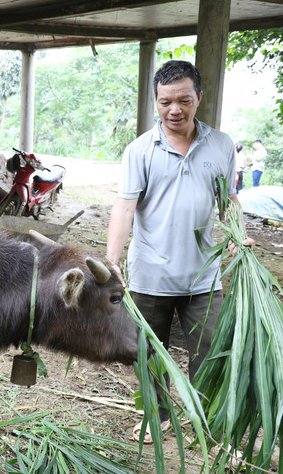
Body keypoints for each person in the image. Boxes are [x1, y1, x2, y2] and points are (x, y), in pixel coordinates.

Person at [106, 60, 253, 443]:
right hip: (150, 275)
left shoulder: (221, 145)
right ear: (156, 101)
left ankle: (206, 420)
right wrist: (111, 261)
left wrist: (238, 234)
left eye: (183, 100)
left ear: (198, 98)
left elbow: (229, 200)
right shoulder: (140, 150)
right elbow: (125, 207)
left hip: (203, 277)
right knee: (148, 353)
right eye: (165, 102)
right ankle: (157, 415)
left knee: (210, 351)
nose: (174, 110)